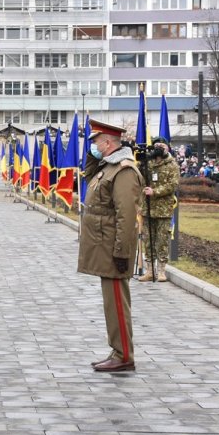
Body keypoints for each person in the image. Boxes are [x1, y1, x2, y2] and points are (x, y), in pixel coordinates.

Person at [78, 120, 143, 373]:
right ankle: (118, 350)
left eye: (96, 142)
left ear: (107, 143)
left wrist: (121, 252)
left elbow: (126, 216)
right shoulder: (109, 167)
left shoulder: (124, 171)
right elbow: (89, 177)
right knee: (111, 303)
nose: (93, 146)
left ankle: (124, 355)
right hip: (103, 244)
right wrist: (93, 157)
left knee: (116, 303)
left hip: (112, 247)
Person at [138, 136, 179, 283]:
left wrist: (155, 191)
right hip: (148, 208)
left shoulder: (172, 164)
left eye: (162, 146)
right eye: (157, 146)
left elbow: (173, 185)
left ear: (167, 148)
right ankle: (150, 271)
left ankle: (161, 271)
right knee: (148, 241)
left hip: (163, 210)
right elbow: (139, 178)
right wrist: (141, 161)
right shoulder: (148, 163)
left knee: (162, 241)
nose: (159, 149)